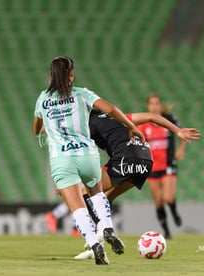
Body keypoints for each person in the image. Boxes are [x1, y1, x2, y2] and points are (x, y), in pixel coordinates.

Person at [33, 56, 145, 265]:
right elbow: (110, 109)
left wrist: (49, 125)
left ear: (50, 76)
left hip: (62, 159)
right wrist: (131, 126)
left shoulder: (42, 99)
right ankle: (108, 227)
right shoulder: (82, 94)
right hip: (87, 155)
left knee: (77, 208)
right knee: (97, 194)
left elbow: (36, 128)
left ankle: (95, 244)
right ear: (72, 75)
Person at [74, 109, 200, 260]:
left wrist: (68, 178)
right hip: (146, 161)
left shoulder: (84, 126)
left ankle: (102, 235)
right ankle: (100, 240)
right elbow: (151, 116)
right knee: (105, 199)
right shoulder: (118, 117)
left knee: (85, 193)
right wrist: (177, 130)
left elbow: (82, 155)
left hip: (126, 158)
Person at [138, 94, 188, 239]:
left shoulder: (169, 120)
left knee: (168, 198)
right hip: (152, 167)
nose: (154, 106)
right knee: (158, 202)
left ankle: (174, 212)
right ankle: (166, 231)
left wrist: (180, 149)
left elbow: (182, 132)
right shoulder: (144, 125)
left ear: (160, 105)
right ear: (148, 106)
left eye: (156, 103)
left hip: (168, 164)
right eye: (151, 104)